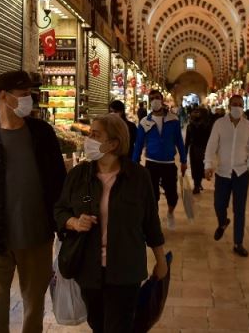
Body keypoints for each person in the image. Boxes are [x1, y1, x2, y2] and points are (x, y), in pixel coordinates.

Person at [0, 70, 67, 333]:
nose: (29, 100)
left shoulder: (42, 134)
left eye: (31, 94)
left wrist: (65, 225)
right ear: (4, 97)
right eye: (23, 95)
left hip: (37, 239)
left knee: (34, 311)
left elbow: (60, 183)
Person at [55, 114, 167, 333]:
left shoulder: (138, 177)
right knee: (98, 324)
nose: (89, 139)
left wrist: (161, 260)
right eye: (90, 134)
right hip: (88, 267)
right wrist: (74, 222)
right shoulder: (79, 176)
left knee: (118, 327)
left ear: (114, 143)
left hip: (125, 269)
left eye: (95, 134)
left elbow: (151, 222)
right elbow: (60, 210)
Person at [204, 95, 249, 257]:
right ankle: (222, 222)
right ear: (229, 106)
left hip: (241, 173)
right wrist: (208, 164)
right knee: (219, 204)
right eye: (235, 104)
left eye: (240, 105)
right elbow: (212, 145)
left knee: (239, 209)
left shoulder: (248, 126)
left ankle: (238, 243)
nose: (237, 107)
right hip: (223, 172)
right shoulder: (219, 124)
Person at [132, 89, 187, 230]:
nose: (155, 100)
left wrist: (184, 160)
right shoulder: (145, 122)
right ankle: (154, 222)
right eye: (152, 98)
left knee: (172, 195)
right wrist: (134, 162)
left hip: (168, 163)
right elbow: (138, 144)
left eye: (157, 97)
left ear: (162, 100)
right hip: (152, 163)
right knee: (152, 195)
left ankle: (170, 213)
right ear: (149, 101)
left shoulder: (173, 119)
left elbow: (179, 141)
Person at [184, 107, 211, 193]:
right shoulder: (190, 126)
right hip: (194, 149)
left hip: (203, 149)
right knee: (195, 167)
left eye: (197, 112)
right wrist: (184, 153)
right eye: (194, 112)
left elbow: (209, 139)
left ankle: (198, 183)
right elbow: (187, 140)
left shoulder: (206, 126)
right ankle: (197, 184)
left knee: (200, 166)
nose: (195, 114)